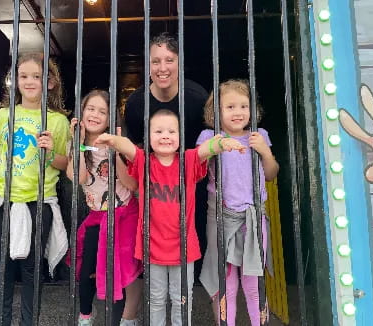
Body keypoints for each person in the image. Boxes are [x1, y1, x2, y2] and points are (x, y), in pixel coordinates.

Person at [94, 109, 245, 326]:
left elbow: (205, 150)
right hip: (153, 245)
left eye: (171, 131)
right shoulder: (146, 161)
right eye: (159, 131)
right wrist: (113, 140)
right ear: (149, 137)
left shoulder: (187, 160)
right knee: (155, 299)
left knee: (181, 299)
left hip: (184, 247)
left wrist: (221, 144)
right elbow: (129, 149)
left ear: (180, 136)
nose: (165, 135)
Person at [0, 52, 70, 326]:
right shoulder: (3, 115)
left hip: (39, 200)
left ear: (50, 83)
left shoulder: (58, 121)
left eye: (37, 76)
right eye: (23, 76)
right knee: (3, 267)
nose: (29, 81)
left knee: (31, 268)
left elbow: (65, 163)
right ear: (14, 81)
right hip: (4, 197)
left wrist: (49, 152)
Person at [123, 31, 210, 280]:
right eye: (155, 61)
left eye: (169, 60)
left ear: (180, 63)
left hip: (192, 187)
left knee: (192, 253)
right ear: (147, 65)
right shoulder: (137, 103)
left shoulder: (197, 98)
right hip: (154, 190)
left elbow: (207, 149)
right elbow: (135, 150)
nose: (162, 68)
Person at [197, 79, 279, 326]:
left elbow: (272, 173)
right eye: (230, 106)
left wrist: (265, 151)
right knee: (227, 286)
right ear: (216, 111)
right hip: (222, 218)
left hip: (253, 219)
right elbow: (196, 168)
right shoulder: (209, 136)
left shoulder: (259, 136)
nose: (238, 112)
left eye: (244, 106)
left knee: (254, 284)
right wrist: (215, 147)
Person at [66, 90, 143, 326]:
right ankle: (86, 315)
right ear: (81, 112)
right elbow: (75, 177)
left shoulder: (121, 144)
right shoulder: (78, 144)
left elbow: (132, 184)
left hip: (125, 214)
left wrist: (115, 153)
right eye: (91, 109)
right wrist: (78, 143)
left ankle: (128, 318)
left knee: (127, 270)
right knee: (87, 267)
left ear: (111, 118)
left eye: (103, 111)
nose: (95, 115)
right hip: (97, 215)